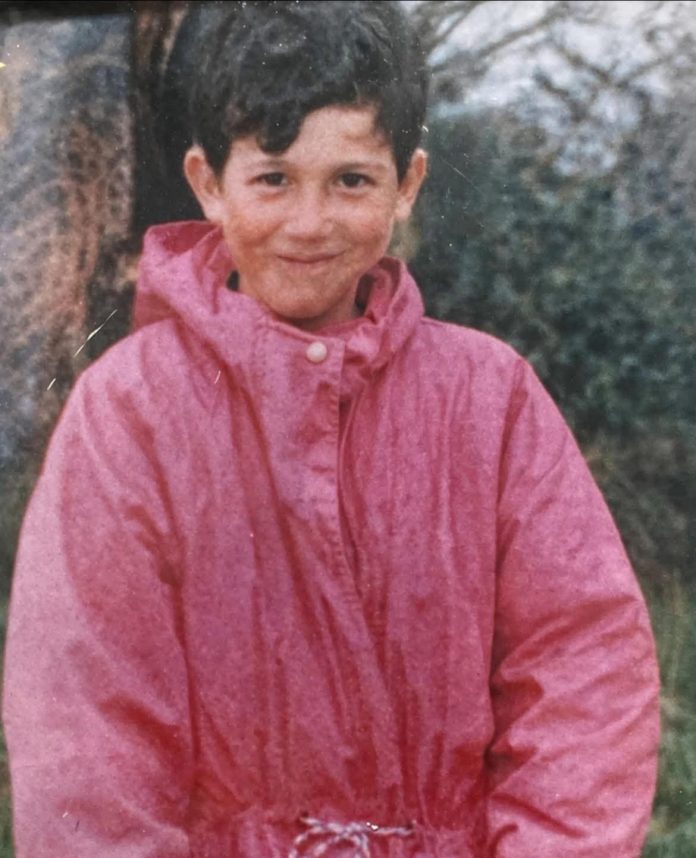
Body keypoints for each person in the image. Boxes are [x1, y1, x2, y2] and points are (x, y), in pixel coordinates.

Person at [2, 2, 659, 856]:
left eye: (351, 180)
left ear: (407, 183)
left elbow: (584, 672)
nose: (309, 224)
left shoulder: (489, 397)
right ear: (208, 182)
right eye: (273, 179)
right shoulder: (127, 411)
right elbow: (87, 738)